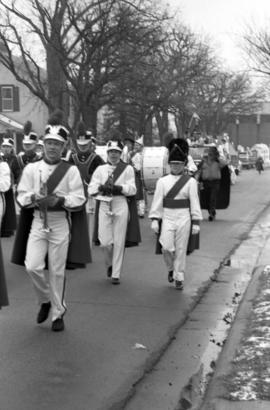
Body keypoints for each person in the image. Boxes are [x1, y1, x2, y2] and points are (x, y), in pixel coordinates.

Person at [12, 110, 90, 332]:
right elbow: (21, 195)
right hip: (38, 221)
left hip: (59, 223)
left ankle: (58, 313)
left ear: (63, 147)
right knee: (32, 266)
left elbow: (79, 199)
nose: (53, 147)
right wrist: (33, 198)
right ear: (43, 144)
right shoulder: (31, 168)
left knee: (57, 270)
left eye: (57, 144)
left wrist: (61, 199)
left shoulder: (71, 171)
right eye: (49, 143)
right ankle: (45, 300)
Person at [149, 138, 202, 290]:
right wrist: (154, 219)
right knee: (166, 247)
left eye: (178, 164)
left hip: (184, 217)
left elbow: (194, 203)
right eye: (173, 164)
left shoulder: (190, 182)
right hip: (168, 217)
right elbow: (157, 202)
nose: (176, 166)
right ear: (169, 164)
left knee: (180, 249)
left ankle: (179, 276)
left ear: (183, 165)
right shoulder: (162, 181)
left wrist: (196, 222)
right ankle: (171, 268)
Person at [88, 138, 140, 285]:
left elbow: (133, 189)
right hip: (104, 204)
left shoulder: (128, 169)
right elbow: (91, 188)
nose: (113, 155)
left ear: (120, 153)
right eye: (111, 152)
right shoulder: (100, 169)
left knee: (119, 240)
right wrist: (100, 188)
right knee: (105, 243)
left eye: (116, 152)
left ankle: (116, 273)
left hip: (120, 203)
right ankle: (109, 264)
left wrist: (119, 188)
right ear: (107, 153)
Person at [69, 121, 104, 248]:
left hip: (92, 195)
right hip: (76, 193)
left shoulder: (97, 159)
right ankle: (76, 241)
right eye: (80, 145)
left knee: (92, 219)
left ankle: (89, 241)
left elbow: (103, 176)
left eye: (85, 145)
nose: (82, 147)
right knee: (76, 217)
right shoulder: (72, 158)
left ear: (90, 143)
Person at [197, 146, 228, 221]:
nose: (211, 156)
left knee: (212, 198)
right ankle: (211, 211)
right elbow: (198, 171)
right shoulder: (203, 162)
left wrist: (217, 158)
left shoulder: (218, 162)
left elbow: (225, 164)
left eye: (212, 154)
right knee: (207, 199)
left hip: (215, 183)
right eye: (210, 154)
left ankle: (211, 213)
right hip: (205, 183)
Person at [0, 138, 17, 237]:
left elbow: (17, 172)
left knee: (9, 209)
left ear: (12, 148)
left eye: (8, 147)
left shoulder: (15, 159)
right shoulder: (1, 158)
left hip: (9, 186)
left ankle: (8, 229)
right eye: (4, 146)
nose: (6, 149)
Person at [130, 136, 146, 218]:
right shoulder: (133, 154)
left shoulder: (143, 155)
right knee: (136, 193)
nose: (135, 146)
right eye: (135, 145)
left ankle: (141, 211)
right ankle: (137, 210)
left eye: (137, 145)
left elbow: (139, 167)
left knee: (141, 194)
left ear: (141, 146)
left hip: (140, 175)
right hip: (134, 176)